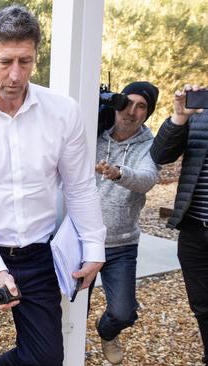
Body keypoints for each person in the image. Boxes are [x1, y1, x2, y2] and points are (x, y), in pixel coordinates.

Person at [0, 5, 107, 366]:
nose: (15, 75)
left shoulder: (63, 112)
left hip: (37, 253)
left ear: (35, 59)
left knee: (46, 358)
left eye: (25, 62)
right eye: (5, 62)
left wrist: (95, 246)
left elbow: (79, 186)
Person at [90, 81, 160, 364]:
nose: (131, 111)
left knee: (122, 312)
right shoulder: (93, 134)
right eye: (127, 103)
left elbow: (147, 180)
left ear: (147, 113)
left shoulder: (150, 145)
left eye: (141, 106)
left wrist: (119, 172)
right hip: (84, 240)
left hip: (122, 243)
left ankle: (107, 331)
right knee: (71, 306)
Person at [150, 84, 208, 365]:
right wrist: (179, 116)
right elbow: (159, 155)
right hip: (195, 228)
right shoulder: (198, 112)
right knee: (202, 305)